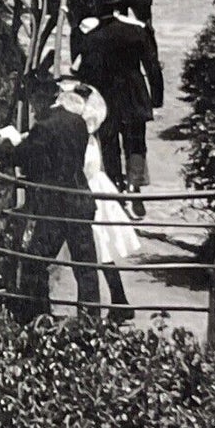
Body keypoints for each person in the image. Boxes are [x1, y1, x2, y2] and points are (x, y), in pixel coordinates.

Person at [0, 87, 100, 321]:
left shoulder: (44, 127)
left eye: (33, 104)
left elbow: (22, 156)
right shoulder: (77, 122)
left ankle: (37, 316)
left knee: (36, 260)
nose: (32, 110)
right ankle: (91, 320)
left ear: (42, 101)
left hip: (55, 206)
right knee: (86, 266)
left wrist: (6, 145)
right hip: (80, 200)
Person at [57, 80, 140, 324]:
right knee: (98, 253)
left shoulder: (82, 136)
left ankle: (106, 304)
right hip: (95, 188)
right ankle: (118, 300)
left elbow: (81, 166)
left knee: (90, 252)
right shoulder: (90, 135)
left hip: (87, 192)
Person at [74, 3, 164, 217]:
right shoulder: (136, 30)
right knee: (136, 144)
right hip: (134, 94)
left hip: (107, 98)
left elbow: (84, 73)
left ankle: (117, 191)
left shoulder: (91, 36)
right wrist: (156, 98)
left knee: (110, 144)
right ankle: (134, 187)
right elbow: (152, 65)